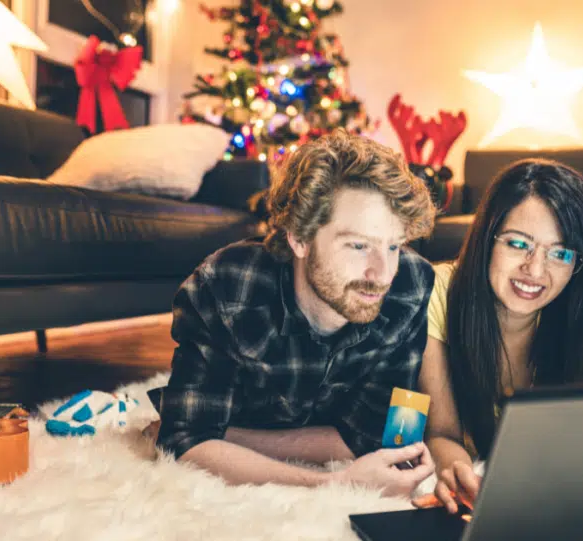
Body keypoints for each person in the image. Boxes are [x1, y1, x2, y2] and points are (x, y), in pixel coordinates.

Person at [151, 129, 439, 497]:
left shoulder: (410, 285)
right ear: (299, 238)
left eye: (394, 246)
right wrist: (336, 482)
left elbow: (372, 438)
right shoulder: (226, 286)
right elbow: (185, 444)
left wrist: (225, 435)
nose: (382, 274)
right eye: (358, 245)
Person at [413, 158, 583, 512]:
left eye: (559, 253)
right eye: (518, 244)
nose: (535, 270)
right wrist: (460, 474)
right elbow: (442, 433)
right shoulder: (438, 292)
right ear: (488, 238)